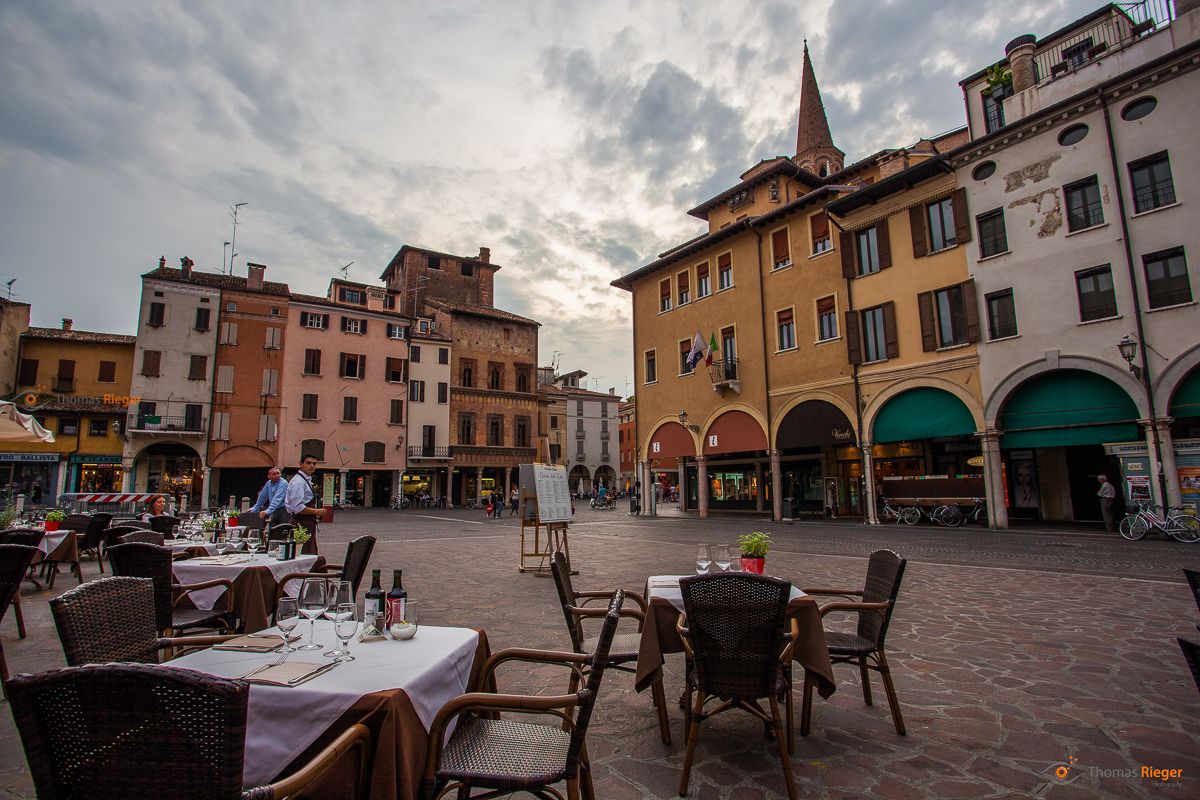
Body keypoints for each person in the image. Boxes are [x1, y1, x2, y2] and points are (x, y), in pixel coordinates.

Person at [285, 454, 323, 554]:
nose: (312, 466)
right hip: (301, 523)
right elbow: (298, 507)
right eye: (308, 463)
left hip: (307, 523)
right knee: (304, 553)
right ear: (300, 464)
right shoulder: (298, 482)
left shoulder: (305, 480)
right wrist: (317, 511)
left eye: (314, 463)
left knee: (308, 551)